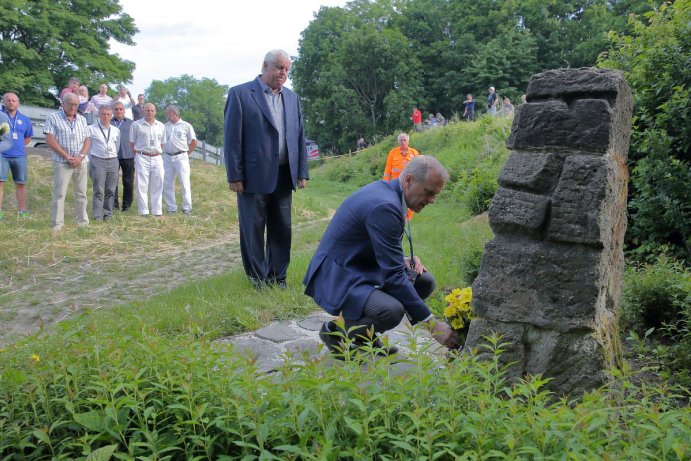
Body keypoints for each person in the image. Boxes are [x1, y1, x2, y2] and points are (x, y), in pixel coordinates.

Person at [304, 156, 460, 358]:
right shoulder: (385, 206)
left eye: (435, 194)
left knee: (424, 281)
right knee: (391, 311)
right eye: (429, 192)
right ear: (409, 180)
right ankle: (336, 332)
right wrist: (433, 326)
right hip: (338, 275)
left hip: (358, 266)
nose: (432, 200)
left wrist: (401, 259)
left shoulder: (390, 193)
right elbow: (394, 277)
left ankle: (363, 337)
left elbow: (377, 244)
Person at [223, 49, 309, 290]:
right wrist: (235, 175)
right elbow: (231, 139)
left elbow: (299, 135)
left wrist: (302, 170)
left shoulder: (292, 98)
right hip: (252, 176)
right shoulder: (240, 94)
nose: (283, 73)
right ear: (265, 66)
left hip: (284, 174)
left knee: (282, 227)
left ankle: (277, 277)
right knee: (253, 228)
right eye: (280, 67)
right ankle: (258, 279)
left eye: (287, 69)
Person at [44, 93, 91, 230]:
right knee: (59, 193)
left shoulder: (82, 119)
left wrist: (80, 156)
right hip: (62, 161)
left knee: (81, 193)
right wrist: (66, 156)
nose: (73, 107)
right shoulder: (53, 117)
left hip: (81, 162)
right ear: (63, 103)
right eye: (70, 103)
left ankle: (82, 222)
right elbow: (50, 139)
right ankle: (57, 224)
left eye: (76, 104)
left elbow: (87, 140)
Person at [0, 93, 33, 220]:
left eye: (14, 100)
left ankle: (22, 211)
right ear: (4, 102)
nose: (11, 102)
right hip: (2, 155)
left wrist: (17, 145)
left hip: (19, 156)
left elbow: (28, 137)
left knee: (21, 183)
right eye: (8, 100)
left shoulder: (24, 119)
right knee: (0, 183)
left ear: (18, 103)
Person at [130, 103, 165, 217]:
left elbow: (162, 143)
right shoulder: (136, 125)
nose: (150, 112)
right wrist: (137, 156)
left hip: (157, 157)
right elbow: (132, 143)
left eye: (152, 110)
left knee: (158, 184)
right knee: (142, 185)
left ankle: (157, 211)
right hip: (142, 156)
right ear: (143, 111)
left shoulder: (161, 126)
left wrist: (155, 152)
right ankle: (143, 211)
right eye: (147, 110)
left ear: (155, 112)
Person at [87, 105, 120, 221]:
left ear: (111, 116)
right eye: (103, 114)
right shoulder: (91, 129)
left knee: (111, 190)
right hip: (98, 160)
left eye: (108, 114)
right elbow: (87, 146)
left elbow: (117, 146)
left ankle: (108, 214)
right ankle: (97, 215)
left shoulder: (116, 130)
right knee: (99, 190)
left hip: (113, 160)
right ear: (99, 115)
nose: (106, 116)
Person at [163, 105, 197, 215]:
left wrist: (187, 153)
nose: (166, 115)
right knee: (167, 183)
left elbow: (193, 141)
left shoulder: (186, 125)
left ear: (174, 113)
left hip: (181, 156)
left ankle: (187, 207)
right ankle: (171, 208)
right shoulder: (165, 126)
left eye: (167, 113)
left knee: (184, 182)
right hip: (167, 157)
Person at [112, 101, 134, 212]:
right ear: (113, 111)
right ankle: (113, 205)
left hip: (129, 156)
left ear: (124, 110)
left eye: (121, 109)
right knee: (112, 182)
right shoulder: (108, 122)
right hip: (112, 156)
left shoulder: (131, 123)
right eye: (116, 109)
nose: (119, 111)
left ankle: (127, 206)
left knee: (128, 182)